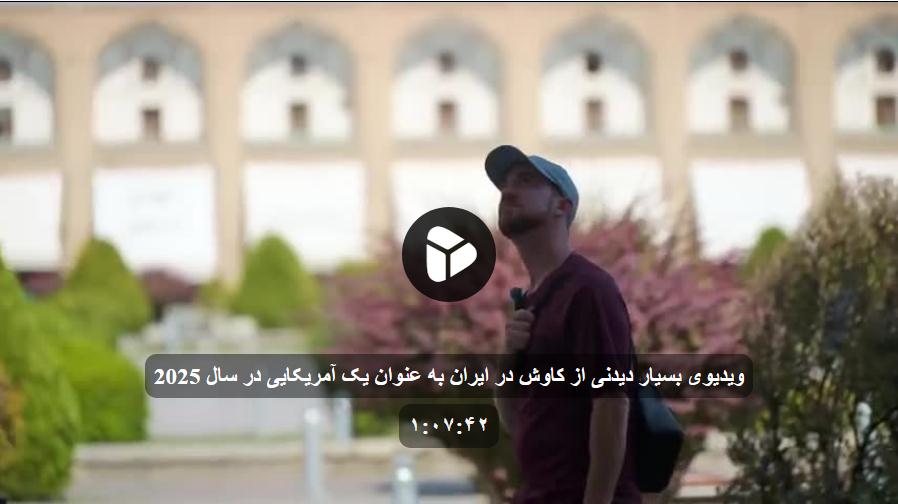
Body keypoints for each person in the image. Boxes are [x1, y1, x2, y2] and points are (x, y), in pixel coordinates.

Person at [486, 145, 641, 504]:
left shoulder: (588, 289)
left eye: (525, 181)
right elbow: (515, 420)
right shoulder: (530, 300)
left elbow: (612, 404)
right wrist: (509, 356)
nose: (508, 191)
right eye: (506, 184)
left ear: (562, 205)